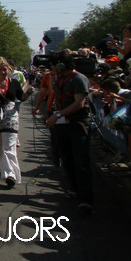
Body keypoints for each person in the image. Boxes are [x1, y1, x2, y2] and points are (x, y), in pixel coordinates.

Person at [46, 51, 93, 212]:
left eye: (53, 66)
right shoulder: (60, 79)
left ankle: (86, 199)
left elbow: (79, 103)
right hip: (62, 125)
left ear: (61, 65)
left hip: (78, 124)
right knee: (67, 159)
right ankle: (74, 188)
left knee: (81, 161)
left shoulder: (78, 78)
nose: (52, 69)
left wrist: (58, 114)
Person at [0, 57, 26, 187]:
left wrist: (28, 92)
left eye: (5, 69)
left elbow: (21, 97)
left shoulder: (14, 82)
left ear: (9, 70)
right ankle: (2, 168)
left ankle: (11, 174)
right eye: (0, 69)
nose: (3, 72)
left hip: (10, 116)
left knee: (9, 146)